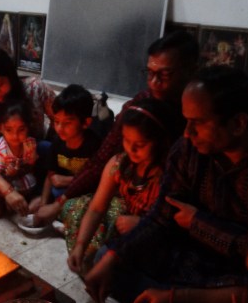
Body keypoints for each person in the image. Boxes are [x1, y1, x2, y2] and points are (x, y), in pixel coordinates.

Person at [84, 66, 248, 303]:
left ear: (238, 123)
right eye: (186, 121)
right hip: (189, 257)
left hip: (237, 275)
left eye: (197, 122)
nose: (187, 133)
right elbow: (161, 217)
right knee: (106, 260)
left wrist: (197, 223)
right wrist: (113, 257)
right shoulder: (188, 150)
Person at [35, 30, 196, 224]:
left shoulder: (199, 116)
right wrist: (60, 202)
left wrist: (147, 221)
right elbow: (103, 158)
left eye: (165, 75)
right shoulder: (138, 106)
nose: (154, 82)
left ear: (190, 71)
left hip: (172, 212)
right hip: (131, 195)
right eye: (150, 73)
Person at [65, 99, 173, 276]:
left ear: (159, 142)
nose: (131, 149)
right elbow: (96, 209)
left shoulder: (168, 176)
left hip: (156, 242)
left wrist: (141, 224)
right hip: (127, 230)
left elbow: (173, 230)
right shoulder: (119, 163)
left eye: (140, 145)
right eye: (126, 140)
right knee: (78, 212)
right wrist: (80, 245)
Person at [0, 48, 55, 216]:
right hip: (4, 163)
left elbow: (60, 116)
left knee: (50, 152)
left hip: (35, 155)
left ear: (11, 77)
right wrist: (7, 191)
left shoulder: (34, 89)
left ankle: (40, 195)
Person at [41, 84, 100, 206]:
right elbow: (50, 175)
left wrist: (68, 180)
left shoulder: (94, 145)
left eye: (67, 123)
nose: (59, 128)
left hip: (84, 194)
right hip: (61, 189)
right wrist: (43, 204)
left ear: (85, 123)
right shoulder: (57, 142)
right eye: (56, 121)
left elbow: (96, 180)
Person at [0, 102, 39, 218]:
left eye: (21, 129)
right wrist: (9, 175)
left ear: (28, 127)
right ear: (0, 128)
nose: (15, 136)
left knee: (35, 203)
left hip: (24, 183)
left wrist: (19, 170)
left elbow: (32, 166)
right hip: (4, 187)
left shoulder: (29, 144)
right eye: (9, 130)